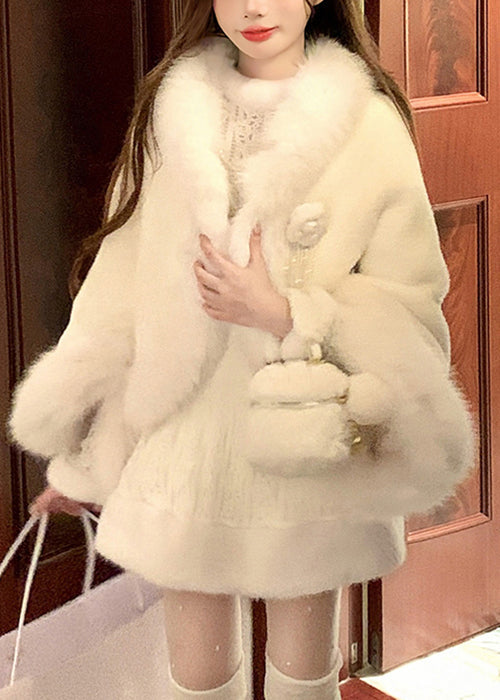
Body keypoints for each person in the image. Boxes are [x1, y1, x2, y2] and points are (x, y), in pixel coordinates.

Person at [8, 1, 475, 698]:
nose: (253, 7)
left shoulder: (368, 126)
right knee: (194, 678)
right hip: (186, 440)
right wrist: (81, 461)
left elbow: (411, 302)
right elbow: (117, 292)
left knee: (304, 676)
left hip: (304, 440)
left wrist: (288, 313)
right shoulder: (172, 117)